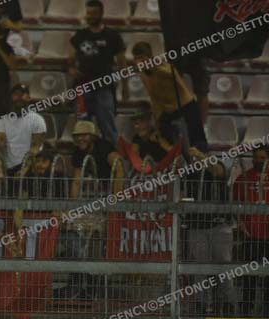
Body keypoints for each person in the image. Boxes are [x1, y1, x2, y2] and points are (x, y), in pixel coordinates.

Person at [58, 120, 121, 299]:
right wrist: (71, 208)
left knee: (98, 239)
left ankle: (93, 284)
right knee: (72, 230)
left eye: (84, 135)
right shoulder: (78, 153)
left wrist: (117, 199)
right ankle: (81, 281)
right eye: (77, 136)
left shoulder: (104, 148)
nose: (80, 139)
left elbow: (119, 167)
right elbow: (77, 181)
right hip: (93, 199)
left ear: (92, 136)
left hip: (107, 198)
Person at [183, 148, 238, 316]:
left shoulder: (216, 165)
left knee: (224, 268)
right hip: (197, 226)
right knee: (200, 269)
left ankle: (228, 306)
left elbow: (220, 171)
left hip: (219, 225)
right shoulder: (190, 171)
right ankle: (201, 307)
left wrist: (201, 157)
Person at [68, 0, 127, 143]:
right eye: (88, 13)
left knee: (108, 126)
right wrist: (71, 68)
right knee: (83, 128)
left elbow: (122, 63)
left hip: (104, 87)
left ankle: (112, 154)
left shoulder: (112, 35)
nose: (90, 16)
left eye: (94, 13)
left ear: (101, 14)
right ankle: (86, 155)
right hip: (83, 87)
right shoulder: (80, 35)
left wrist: (125, 86)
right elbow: (70, 56)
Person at [132, 42, 207, 152]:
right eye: (136, 59)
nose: (138, 62)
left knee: (197, 146)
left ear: (149, 57)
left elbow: (172, 75)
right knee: (163, 142)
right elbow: (154, 99)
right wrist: (157, 123)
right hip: (168, 113)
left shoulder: (164, 67)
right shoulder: (143, 74)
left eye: (141, 58)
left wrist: (155, 67)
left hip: (186, 108)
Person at [233, 147, 269, 317]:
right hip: (251, 235)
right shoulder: (243, 179)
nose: (258, 160)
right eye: (256, 157)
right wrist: (240, 223)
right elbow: (234, 205)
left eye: (262, 157)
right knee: (249, 276)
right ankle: (247, 310)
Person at [0, 83, 47, 179]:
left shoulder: (37, 120)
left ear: (28, 98)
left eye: (22, 94)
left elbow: (36, 147)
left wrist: (24, 170)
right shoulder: (4, 120)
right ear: (11, 98)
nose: (19, 98)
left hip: (30, 168)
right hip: (8, 169)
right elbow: (0, 146)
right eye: (16, 94)